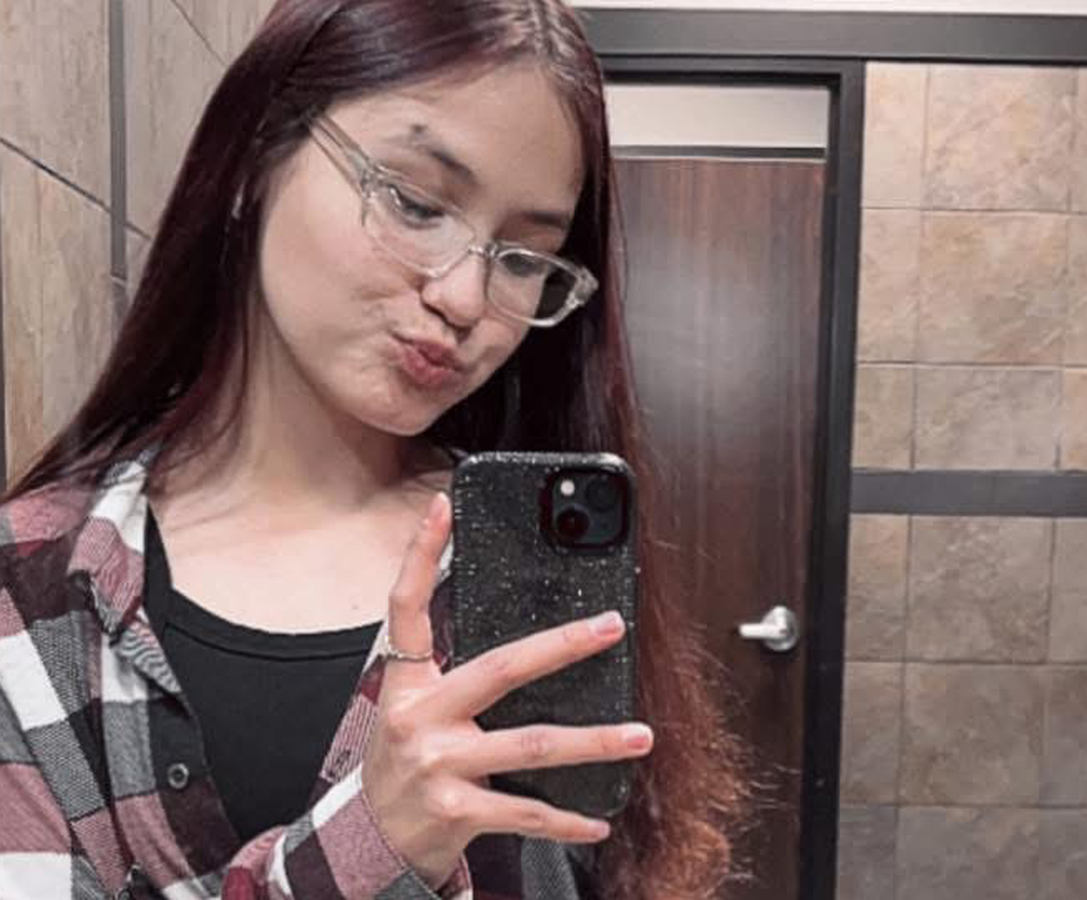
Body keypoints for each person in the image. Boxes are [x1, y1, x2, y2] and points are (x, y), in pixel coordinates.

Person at [0, 1, 751, 898]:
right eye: (415, 202)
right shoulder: (34, 582)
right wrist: (378, 843)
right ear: (253, 158)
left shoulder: (529, 569)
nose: (465, 299)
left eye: (523, 259)